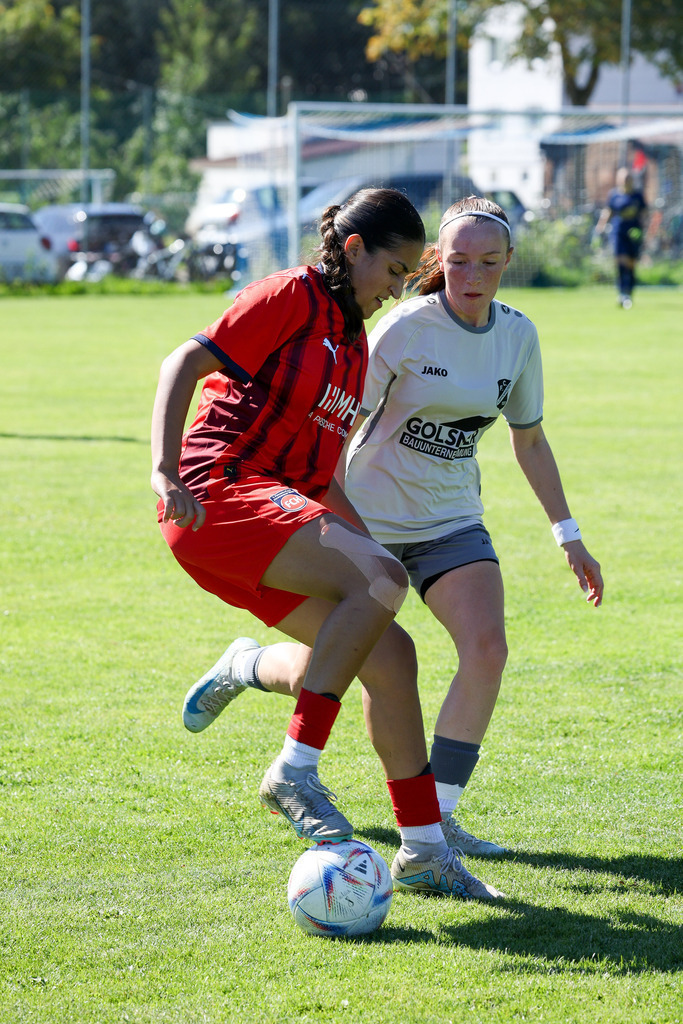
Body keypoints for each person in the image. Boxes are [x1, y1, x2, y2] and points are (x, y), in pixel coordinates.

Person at [192, 194, 604, 861]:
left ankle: (435, 822)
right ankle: (250, 665)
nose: (473, 276)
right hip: (366, 517)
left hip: (449, 520)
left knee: (486, 649)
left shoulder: (517, 336)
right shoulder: (400, 327)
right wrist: (319, 512)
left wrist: (568, 533)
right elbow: (338, 422)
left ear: (508, 264)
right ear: (440, 261)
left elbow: (528, 440)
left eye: (489, 263)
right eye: (460, 261)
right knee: (354, 660)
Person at [151, 187, 503, 901]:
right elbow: (180, 364)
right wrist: (161, 467)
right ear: (352, 250)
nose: (399, 287)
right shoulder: (289, 294)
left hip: (265, 511)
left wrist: (366, 548)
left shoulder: (349, 343)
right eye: (395, 270)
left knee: (392, 654)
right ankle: (294, 769)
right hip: (213, 492)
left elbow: (317, 477)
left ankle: (425, 850)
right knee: (376, 583)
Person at [595, 167, 647, 309]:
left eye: (628, 178)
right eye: (623, 178)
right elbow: (608, 211)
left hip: (634, 234)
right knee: (620, 262)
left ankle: (629, 293)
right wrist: (600, 227)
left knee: (630, 265)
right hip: (618, 232)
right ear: (618, 180)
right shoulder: (614, 195)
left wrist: (645, 232)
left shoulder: (637, 196)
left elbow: (643, 214)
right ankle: (621, 293)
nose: (626, 180)